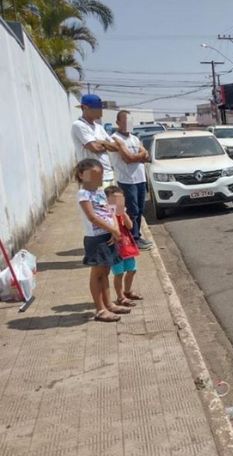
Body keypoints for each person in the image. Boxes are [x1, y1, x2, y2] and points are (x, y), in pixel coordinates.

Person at [76, 159, 131, 322]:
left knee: (105, 272)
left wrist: (115, 230)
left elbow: (111, 211)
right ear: (82, 175)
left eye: (99, 176)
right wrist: (112, 229)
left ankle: (109, 304)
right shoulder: (83, 194)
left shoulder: (100, 191)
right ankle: (100, 309)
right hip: (96, 238)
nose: (97, 179)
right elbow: (92, 217)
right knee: (97, 273)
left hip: (108, 235)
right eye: (93, 176)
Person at [110, 110, 154, 250]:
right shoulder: (115, 139)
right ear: (118, 122)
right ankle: (132, 238)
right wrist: (140, 155)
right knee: (132, 211)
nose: (129, 125)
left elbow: (147, 156)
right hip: (126, 180)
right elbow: (127, 159)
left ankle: (136, 236)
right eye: (125, 121)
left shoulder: (134, 138)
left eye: (130, 122)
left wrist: (139, 155)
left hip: (140, 179)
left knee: (140, 210)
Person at [71, 94, 123, 187]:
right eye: (97, 109)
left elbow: (116, 147)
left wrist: (102, 142)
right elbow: (94, 148)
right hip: (90, 175)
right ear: (85, 108)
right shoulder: (79, 125)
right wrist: (106, 145)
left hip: (108, 173)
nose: (100, 112)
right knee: (95, 201)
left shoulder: (99, 127)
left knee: (112, 201)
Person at [104, 186, 142, 308]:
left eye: (120, 199)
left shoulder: (122, 211)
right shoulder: (106, 213)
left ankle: (128, 291)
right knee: (118, 273)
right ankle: (120, 297)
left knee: (132, 270)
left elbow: (130, 226)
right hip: (116, 249)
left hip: (127, 246)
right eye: (114, 199)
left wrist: (123, 213)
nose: (117, 202)